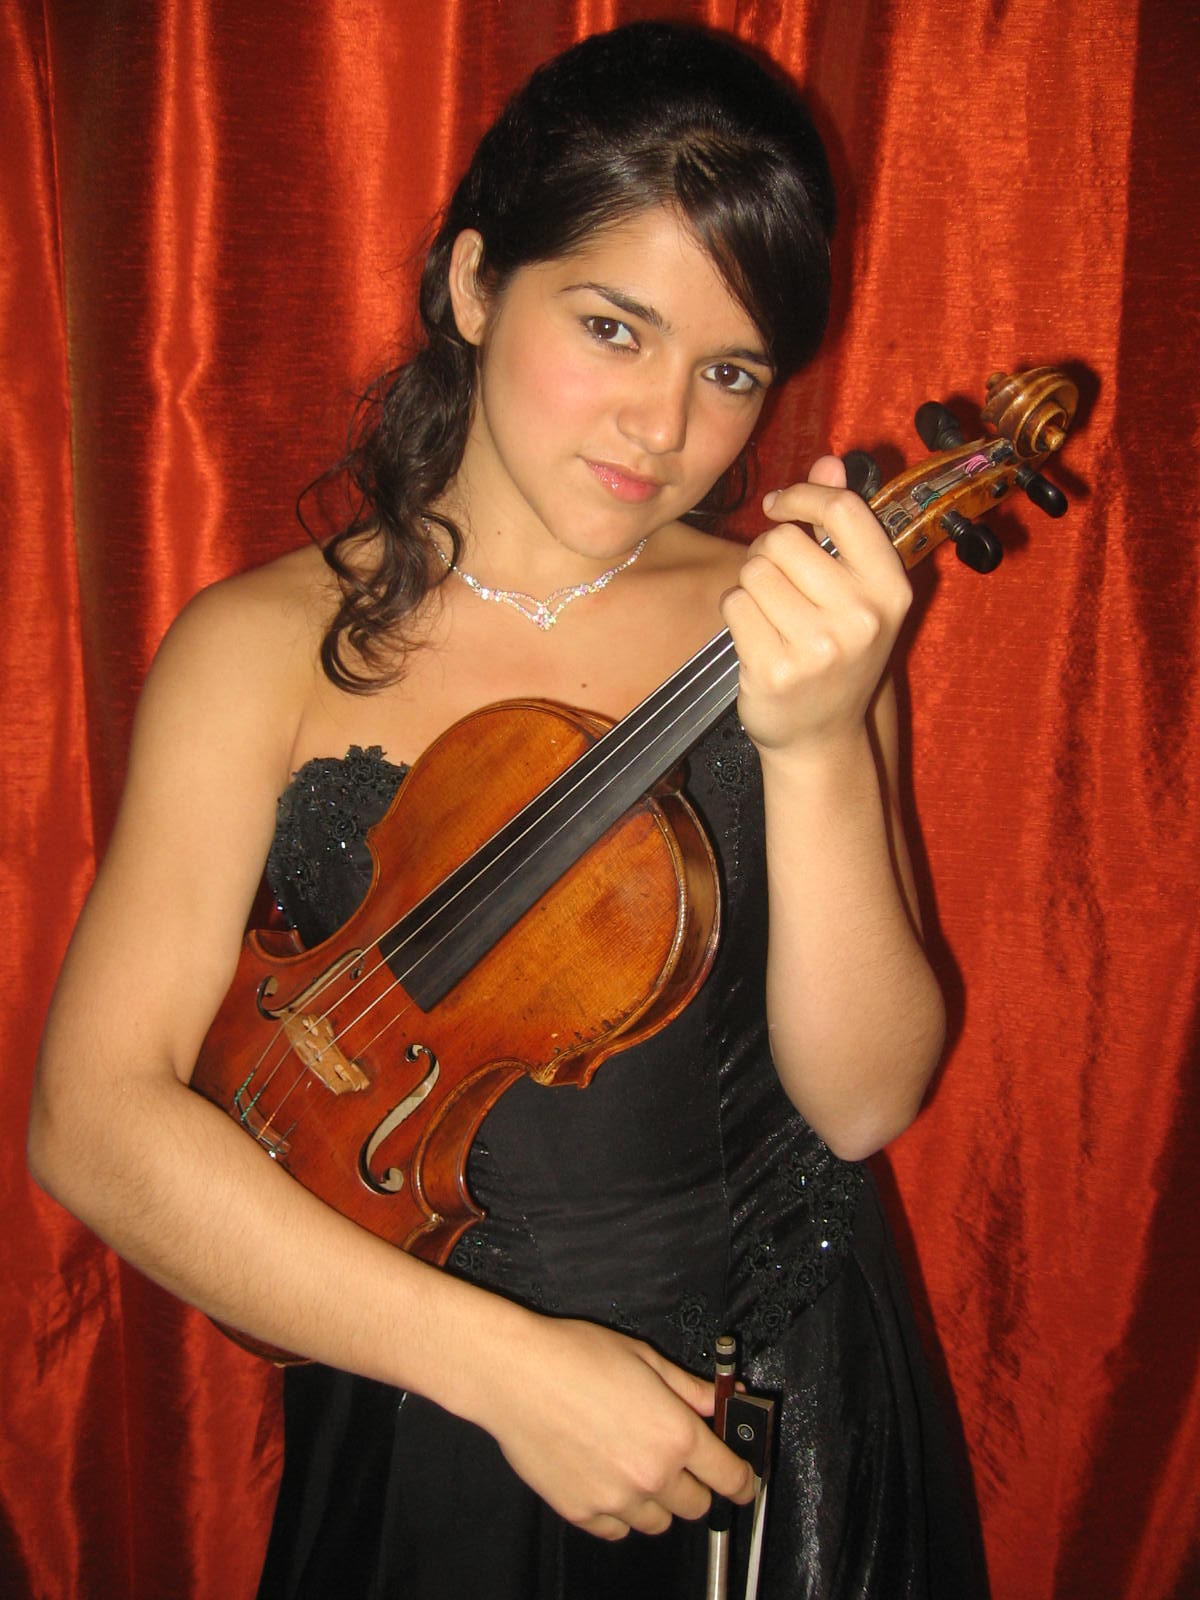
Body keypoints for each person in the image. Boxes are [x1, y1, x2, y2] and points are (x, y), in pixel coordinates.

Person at [29, 21, 982, 1600]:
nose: (663, 429)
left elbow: (866, 1101)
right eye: (612, 328)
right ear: (475, 284)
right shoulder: (254, 651)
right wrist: (505, 1369)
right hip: (436, 1401)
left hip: (785, 1404)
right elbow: (94, 1117)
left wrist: (817, 745)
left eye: (729, 371)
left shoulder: (793, 620)